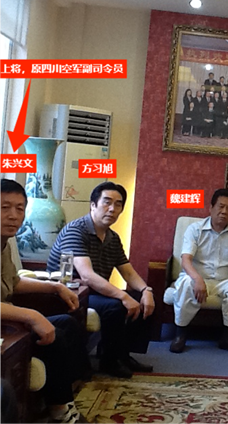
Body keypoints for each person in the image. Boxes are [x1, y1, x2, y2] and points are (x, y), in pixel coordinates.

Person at [0, 180, 91, 423]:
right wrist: (33, 316)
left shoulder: (4, 244)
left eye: (19, 208)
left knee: (67, 323)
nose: (13, 215)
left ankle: (67, 394)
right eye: (5, 208)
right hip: (4, 330)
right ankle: (60, 411)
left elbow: (13, 282)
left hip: (8, 318)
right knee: (54, 334)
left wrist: (55, 286)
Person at [47, 182, 155, 379]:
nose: (112, 209)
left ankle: (123, 355)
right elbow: (87, 276)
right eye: (107, 202)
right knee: (115, 306)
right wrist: (123, 296)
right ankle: (110, 361)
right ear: (93, 205)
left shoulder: (113, 237)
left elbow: (128, 272)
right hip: (72, 292)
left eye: (118, 204)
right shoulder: (76, 230)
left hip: (94, 291)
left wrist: (146, 291)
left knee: (142, 299)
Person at [166, 189, 228, 354]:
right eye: (220, 206)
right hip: (195, 277)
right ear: (211, 208)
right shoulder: (195, 229)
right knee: (186, 283)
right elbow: (186, 259)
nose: (224, 211)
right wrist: (197, 279)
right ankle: (180, 335)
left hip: (222, 281)